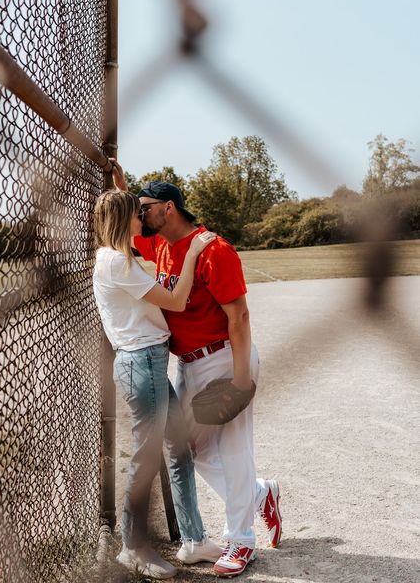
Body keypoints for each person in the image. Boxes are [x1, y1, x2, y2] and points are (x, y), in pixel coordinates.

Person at [111, 161, 283, 578]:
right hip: (188, 365)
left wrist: (242, 380)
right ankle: (259, 495)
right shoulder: (163, 245)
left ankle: (241, 541)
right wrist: (122, 185)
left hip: (226, 358)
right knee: (193, 450)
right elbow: (132, 229)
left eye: (144, 207)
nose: (138, 214)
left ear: (167, 208)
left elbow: (238, 317)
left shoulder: (214, 249)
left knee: (233, 449)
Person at [93, 189, 223, 579]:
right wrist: (194, 251)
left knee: (178, 450)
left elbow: (123, 214)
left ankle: (194, 539)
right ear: (123, 221)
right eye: (137, 215)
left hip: (149, 363)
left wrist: (118, 180)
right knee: (147, 457)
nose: (143, 220)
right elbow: (178, 300)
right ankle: (132, 547)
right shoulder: (117, 263)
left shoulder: (115, 256)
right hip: (141, 366)